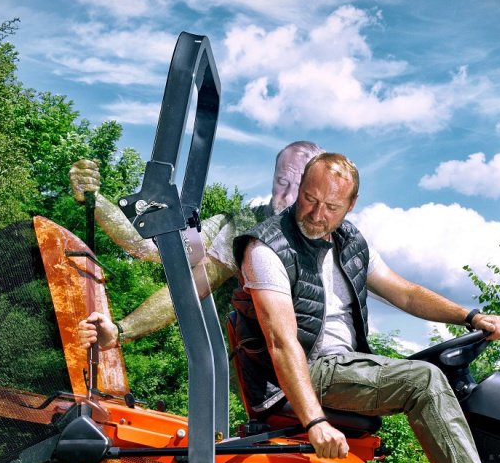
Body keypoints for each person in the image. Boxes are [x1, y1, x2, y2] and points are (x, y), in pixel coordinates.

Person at [232, 152, 500, 463]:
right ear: (299, 188)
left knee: (441, 379)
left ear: (350, 206)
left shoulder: (350, 242)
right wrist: (316, 422)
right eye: (309, 198)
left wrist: (470, 317)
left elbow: (404, 293)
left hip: (342, 366)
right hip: (293, 376)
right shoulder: (267, 248)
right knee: (423, 381)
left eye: (331, 206)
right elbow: (281, 343)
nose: (317, 214)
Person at [72, 141, 321, 349]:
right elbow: (153, 247)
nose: (287, 195)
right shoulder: (243, 223)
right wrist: (96, 200)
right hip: (254, 370)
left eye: (299, 185)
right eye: (282, 181)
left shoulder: (337, 236)